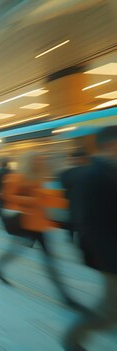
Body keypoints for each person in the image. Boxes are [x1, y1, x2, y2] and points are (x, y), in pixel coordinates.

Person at [0, 152, 83, 310]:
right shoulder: (16, 177)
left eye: (42, 161)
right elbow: (8, 196)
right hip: (24, 223)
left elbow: (44, 199)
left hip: (38, 224)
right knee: (16, 250)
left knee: (48, 259)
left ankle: (65, 296)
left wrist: (67, 202)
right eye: (38, 161)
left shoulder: (38, 178)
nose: (41, 164)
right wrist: (32, 200)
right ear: (29, 162)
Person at [64, 126, 117, 351]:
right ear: (112, 145)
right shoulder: (92, 176)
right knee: (110, 311)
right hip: (111, 254)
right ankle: (73, 339)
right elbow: (89, 223)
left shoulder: (108, 172)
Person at [58, 150, 88, 242]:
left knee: (73, 220)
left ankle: (71, 237)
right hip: (85, 202)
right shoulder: (89, 171)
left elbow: (63, 184)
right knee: (81, 222)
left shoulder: (66, 173)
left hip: (72, 202)